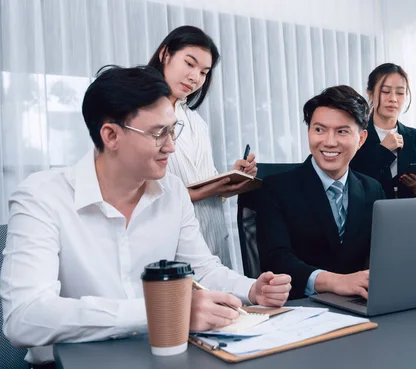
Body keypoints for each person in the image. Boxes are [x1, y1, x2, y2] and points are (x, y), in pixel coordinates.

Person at [0, 65, 291, 367]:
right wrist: (166, 312)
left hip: (159, 357)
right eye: (158, 133)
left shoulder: (172, 191)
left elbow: (202, 270)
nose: (171, 146)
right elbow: (25, 318)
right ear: (111, 135)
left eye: (173, 129)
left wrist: (252, 289)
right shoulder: (41, 196)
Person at [256, 85, 386, 300]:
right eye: (319, 129)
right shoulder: (276, 188)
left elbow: (382, 254)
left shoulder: (372, 189)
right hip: (301, 307)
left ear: (361, 139)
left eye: (342, 131)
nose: (329, 141)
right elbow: (276, 259)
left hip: (360, 305)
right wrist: (337, 282)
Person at [148, 25, 257, 269]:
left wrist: (230, 180)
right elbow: (143, 194)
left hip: (213, 236)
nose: (195, 77)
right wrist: (206, 191)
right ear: (165, 54)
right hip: (170, 240)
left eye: (204, 72)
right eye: (189, 63)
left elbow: (204, 182)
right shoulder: (142, 114)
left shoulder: (197, 122)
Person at [350, 63, 416, 199]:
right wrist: (383, 151)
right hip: (369, 216)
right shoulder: (356, 136)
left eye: (400, 93)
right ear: (370, 93)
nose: (393, 99)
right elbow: (353, 183)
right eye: (385, 91)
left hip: (409, 216)